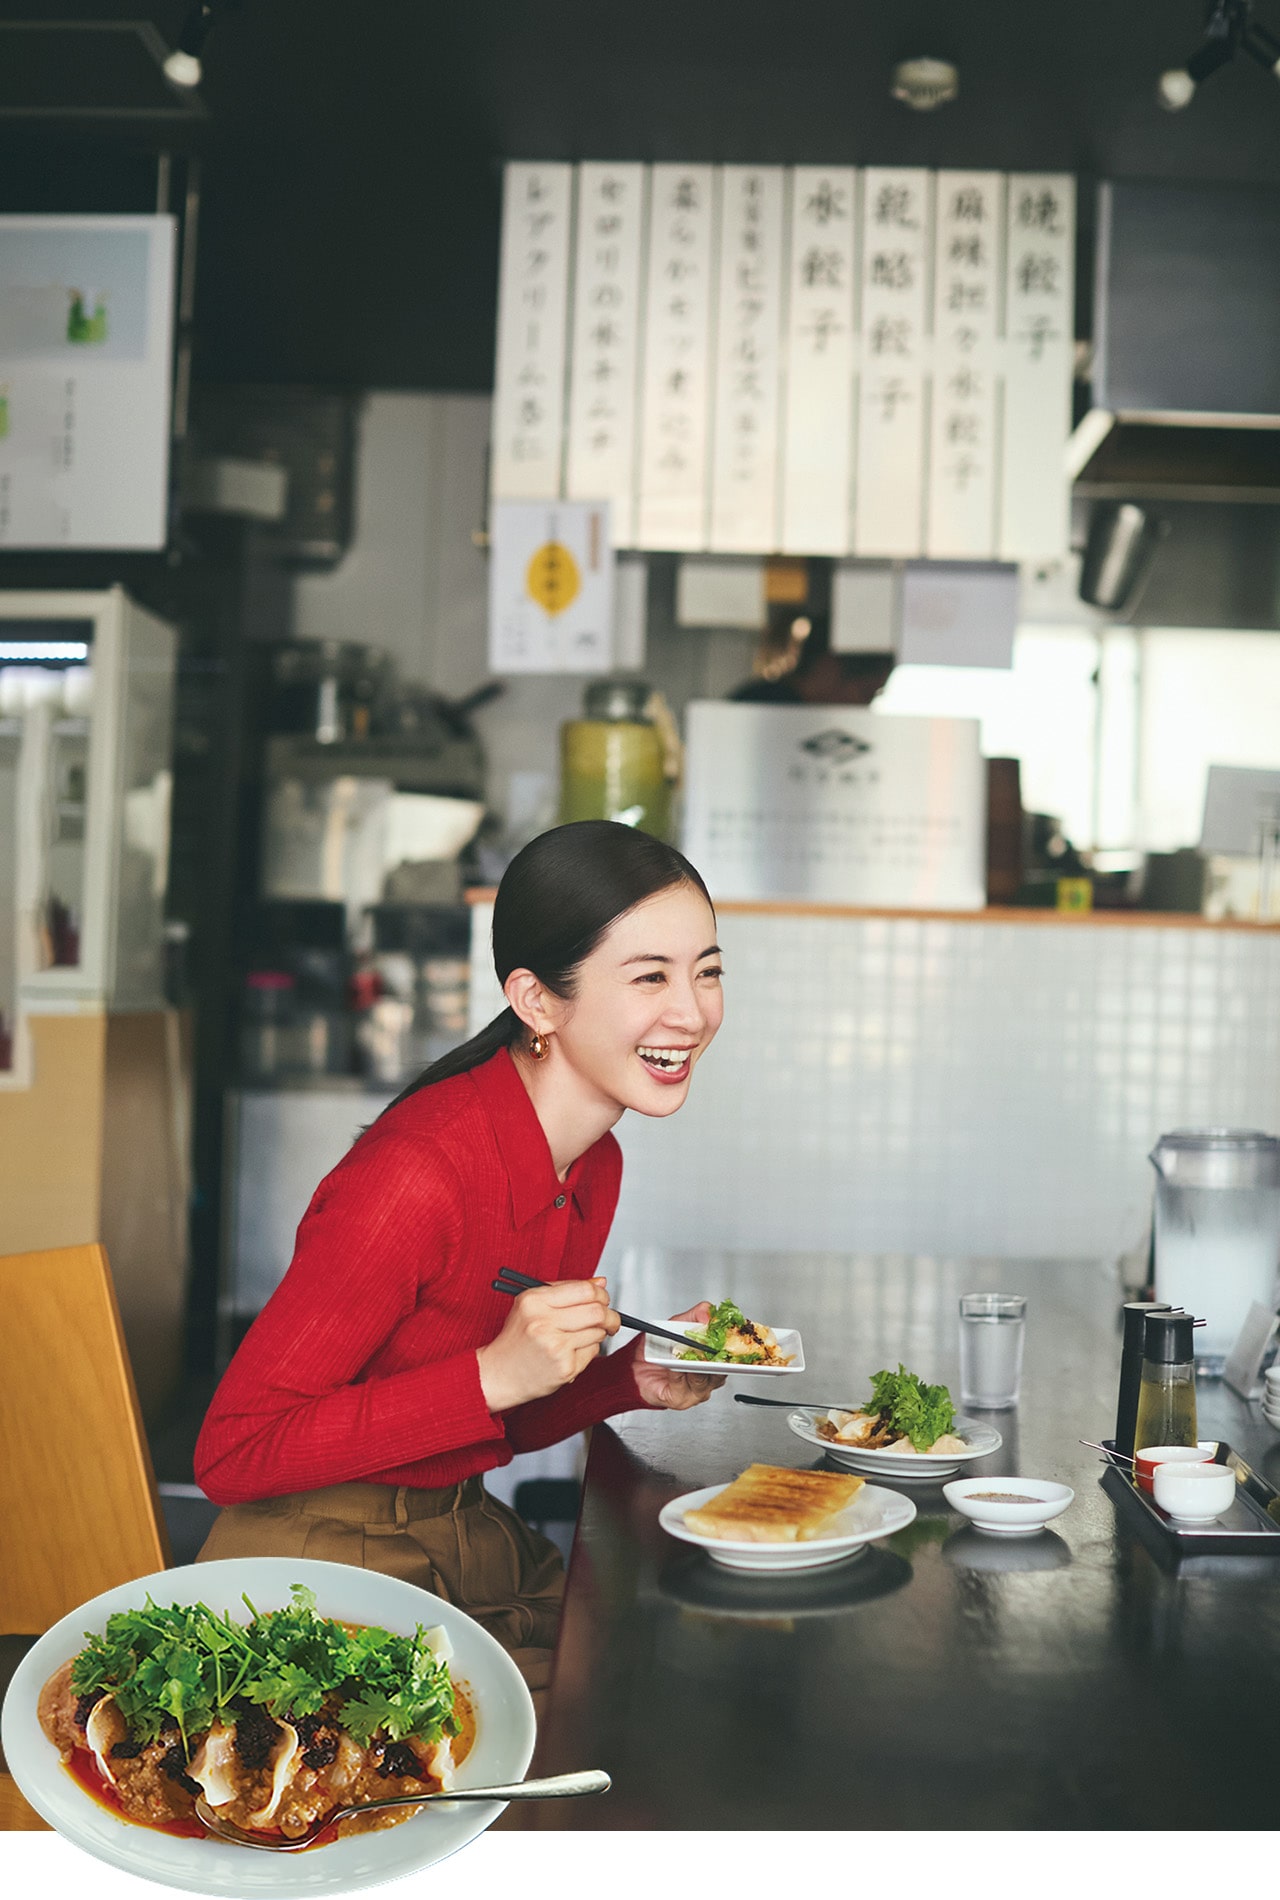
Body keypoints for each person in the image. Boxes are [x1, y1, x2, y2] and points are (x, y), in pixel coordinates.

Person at [194, 820, 725, 1703]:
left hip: (461, 1532)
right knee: (601, 1737)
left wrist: (632, 1379)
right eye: (650, 977)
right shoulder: (417, 1176)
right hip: (314, 1571)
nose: (692, 1011)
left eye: (707, 971)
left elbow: (488, 1424)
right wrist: (490, 1373)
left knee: (659, 1669)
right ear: (537, 1001)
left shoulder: (594, 1163)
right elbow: (232, 1453)